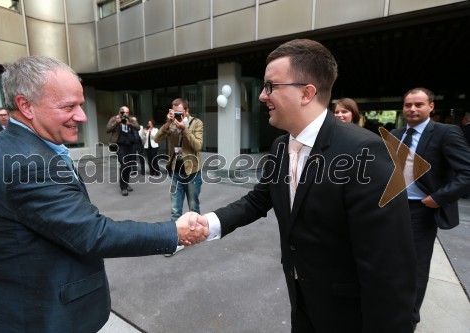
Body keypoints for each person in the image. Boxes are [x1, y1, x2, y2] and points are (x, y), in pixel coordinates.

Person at [194, 39, 417, 332]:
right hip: (302, 303)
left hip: (350, 316)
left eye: (270, 86)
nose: (262, 96)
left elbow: (391, 269)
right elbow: (257, 201)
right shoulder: (279, 147)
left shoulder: (366, 152)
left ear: (306, 93)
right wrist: (205, 224)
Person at [0, 55, 208, 333]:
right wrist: (174, 232)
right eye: (69, 106)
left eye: (81, 105)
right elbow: (92, 233)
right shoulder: (29, 162)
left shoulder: (15, 142)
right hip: (40, 317)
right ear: (25, 105)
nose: (82, 116)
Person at [392, 87, 470, 330]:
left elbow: (467, 172)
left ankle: (408, 321)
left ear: (431, 107)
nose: (412, 109)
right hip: (393, 209)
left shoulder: (446, 133)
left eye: (418, 104)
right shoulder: (395, 134)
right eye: (408, 105)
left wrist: (438, 197)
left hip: (421, 211)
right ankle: (391, 310)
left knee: (414, 266)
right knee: (391, 262)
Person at [155, 98, 204, 256]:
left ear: (187, 111)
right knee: (175, 209)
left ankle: (195, 234)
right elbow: (156, 138)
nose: (177, 116)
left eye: (180, 113)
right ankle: (174, 242)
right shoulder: (171, 124)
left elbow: (197, 146)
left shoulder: (197, 123)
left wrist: (184, 129)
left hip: (192, 172)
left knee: (193, 207)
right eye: (174, 113)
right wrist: (167, 124)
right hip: (176, 170)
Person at [106, 106, 140, 196]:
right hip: (120, 146)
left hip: (130, 145)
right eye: (123, 112)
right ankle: (123, 187)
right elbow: (108, 129)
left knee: (129, 166)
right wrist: (116, 123)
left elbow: (138, 127)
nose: (125, 114)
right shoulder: (114, 119)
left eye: (127, 112)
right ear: (120, 112)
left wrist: (129, 124)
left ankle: (126, 183)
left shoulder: (131, 119)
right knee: (124, 165)